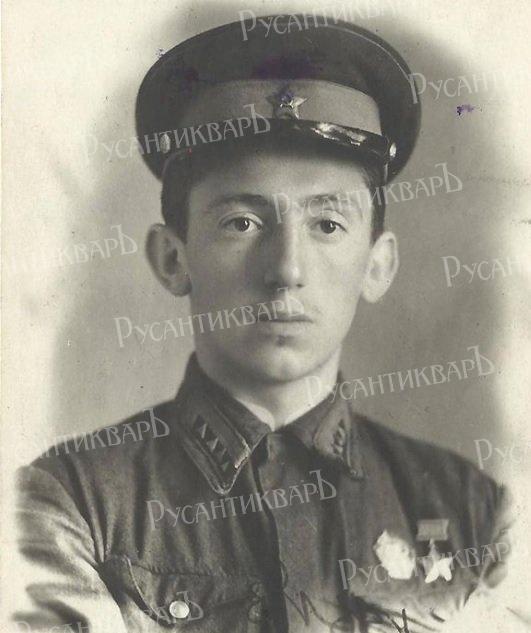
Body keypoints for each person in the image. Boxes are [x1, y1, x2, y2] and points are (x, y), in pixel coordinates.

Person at [15, 14, 522, 633]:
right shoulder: (71, 506)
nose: (286, 270)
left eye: (327, 224)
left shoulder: (476, 517)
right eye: (242, 223)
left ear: (378, 264)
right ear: (173, 259)